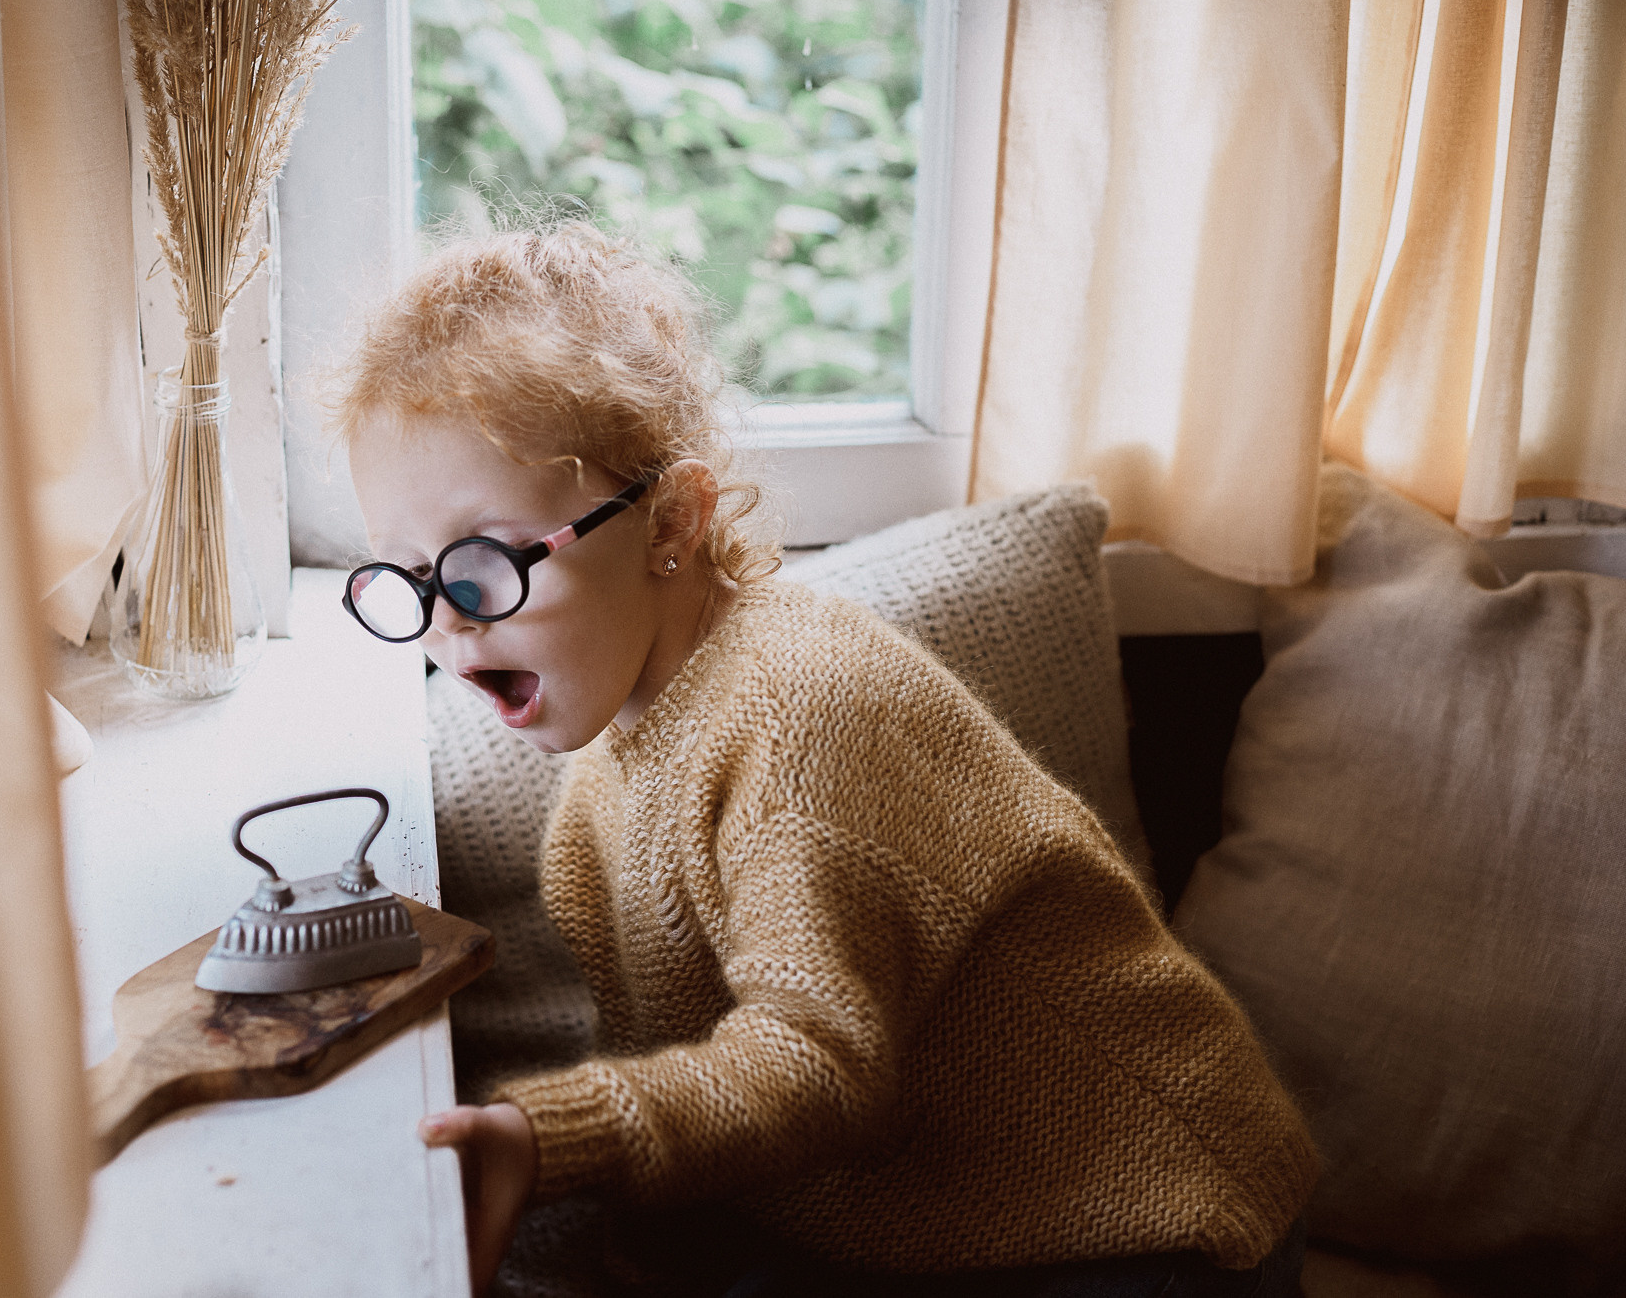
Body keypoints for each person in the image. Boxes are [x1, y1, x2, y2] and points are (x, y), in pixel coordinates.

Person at [331, 222, 1317, 1296]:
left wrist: (551, 1134)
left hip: (1147, 1219)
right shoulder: (609, 762)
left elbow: (817, 1064)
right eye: (408, 578)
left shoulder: (800, 715)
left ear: (669, 520)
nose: (449, 622)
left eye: (483, 560)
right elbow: (696, 1092)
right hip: (905, 1203)